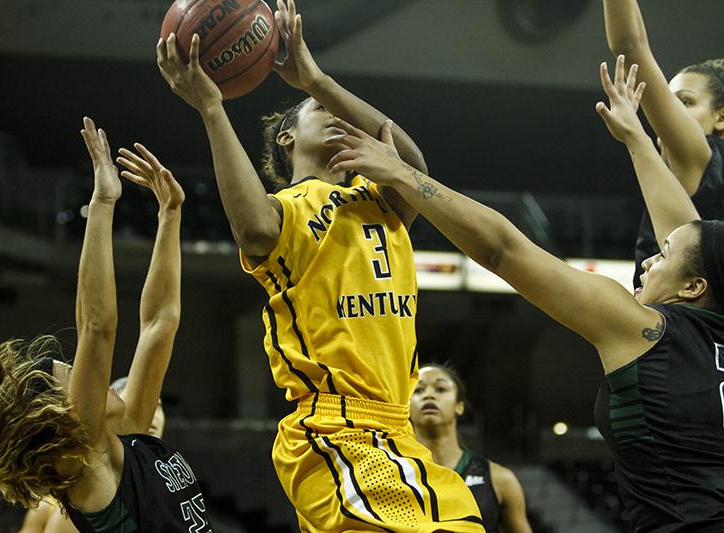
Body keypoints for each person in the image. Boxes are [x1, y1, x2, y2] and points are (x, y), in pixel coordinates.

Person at [323, 56, 724, 532]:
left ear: (694, 287)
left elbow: (502, 251)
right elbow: (689, 232)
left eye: (662, 256)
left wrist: (401, 176)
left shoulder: (648, 331)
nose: (649, 261)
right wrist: (637, 139)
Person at [156, 0, 484, 530]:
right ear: (287, 137)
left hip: (399, 436)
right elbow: (252, 229)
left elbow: (414, 166)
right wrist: (212, 108)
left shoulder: (382, 200)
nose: (337, 115)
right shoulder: (284, 212)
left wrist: (316, 81)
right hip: (335, 431)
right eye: (318, 112)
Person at [0, 118, 212, 532]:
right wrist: (103, 203)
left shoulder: (125, 439)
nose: (92, 375)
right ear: (58, 418)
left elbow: (160, 322)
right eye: (70, 376)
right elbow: (97, 325)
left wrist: (170, 216)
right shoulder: (87, 467)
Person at [602, 0, 724, 287]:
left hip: (682, 322)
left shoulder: (701, 158)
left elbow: (630, 46)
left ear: (721, 117)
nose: (663, 110)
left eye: (684, 101)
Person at [19, 378, 167, 533]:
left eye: (156, 407)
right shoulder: (68, 509)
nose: (151, 415)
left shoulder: (162, 472)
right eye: (135, 405)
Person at [410, 364, 532, 533]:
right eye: (418, 390)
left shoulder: (500, 480)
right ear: (406, 406)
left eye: (440, 388)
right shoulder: (393, 474)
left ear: (459, 406)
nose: (429, 395)